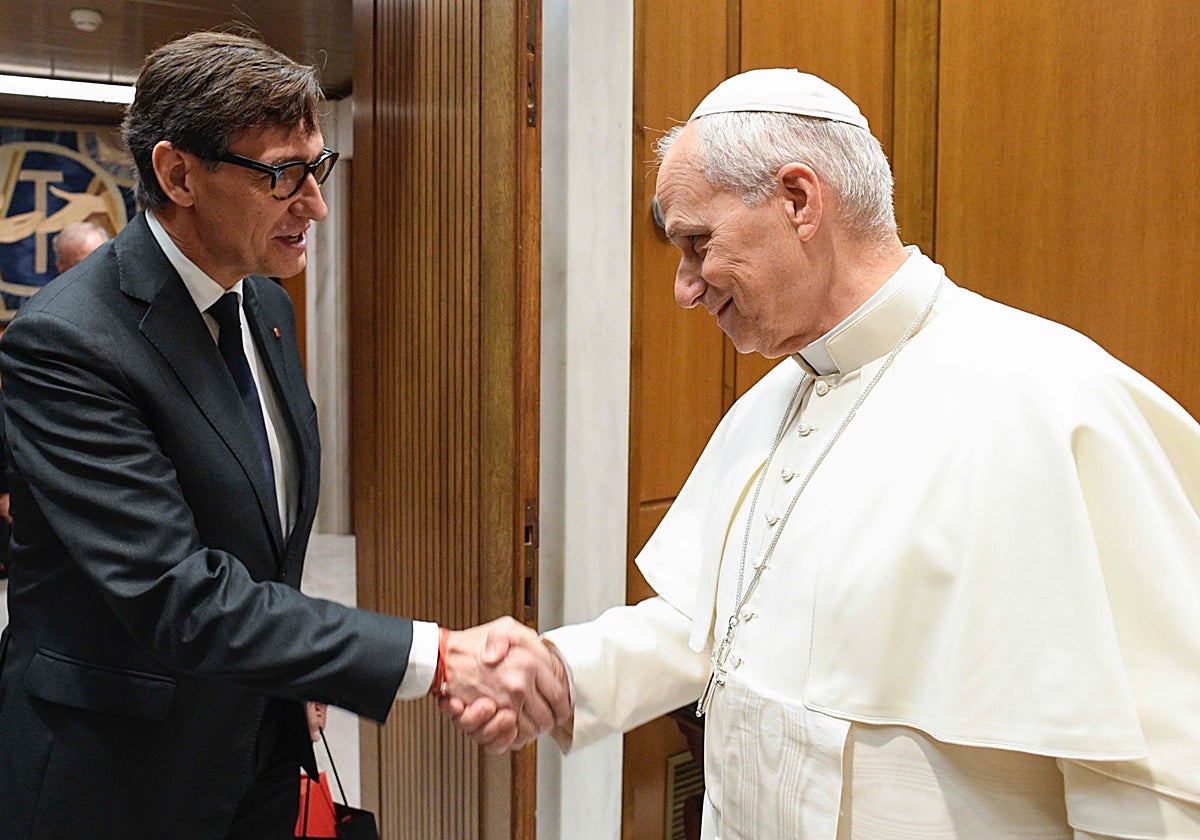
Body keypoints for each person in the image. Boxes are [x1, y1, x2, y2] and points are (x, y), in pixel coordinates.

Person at [449, 69, 1200, 838]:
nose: (684, 287)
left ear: (799, 201)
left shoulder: (1056, 401)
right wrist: (562, 671)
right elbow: (712, 626)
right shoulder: (771, 402)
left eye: (696, 244)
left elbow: (1151, 784)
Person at [0, 31, 565, 840]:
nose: (316, 204)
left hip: (257, 742)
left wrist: (292, 668)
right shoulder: (68, 342)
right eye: (281, 175)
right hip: (120, 770)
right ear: (178, 173)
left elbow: (263, 539)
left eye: (318, 167)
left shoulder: (262, 304)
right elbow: (177, 595)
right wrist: (435, 655)